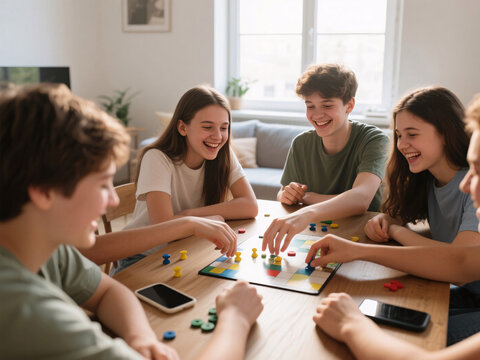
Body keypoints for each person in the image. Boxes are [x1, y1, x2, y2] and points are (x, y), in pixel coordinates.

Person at [0, 84, 264, 360]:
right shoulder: (24, 309)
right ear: (43, 192)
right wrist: (236, 319)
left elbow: (106, 291)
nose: (113, 202)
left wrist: (141, 338)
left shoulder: (49, 250)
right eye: (102, 185)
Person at [306, 75, 480, 358]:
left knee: (382, 331)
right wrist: (357, 249)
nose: (466, 184)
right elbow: (461, 262)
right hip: (477, 298)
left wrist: (350, 325)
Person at [363, 86, 480, 344]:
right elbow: (408, 219)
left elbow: (458, 263)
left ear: (445, 133)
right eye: (399, 135)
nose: (401, 145)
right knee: (378, 313)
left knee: (401, 337)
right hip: (469, 294)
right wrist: (389, 220)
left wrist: (396, 232)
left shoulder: (477, 185)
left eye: (412, 134)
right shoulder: (427, 179)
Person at [114, 85, 258, 273]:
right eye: (207, 127)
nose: (218, 136)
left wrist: (188, 214)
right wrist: (204, 220)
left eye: (224, 128)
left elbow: (250, 205)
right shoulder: (157, 158)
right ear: (182, 127)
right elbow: (164, 227)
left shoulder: (223, 154)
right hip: (143, 257)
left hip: (187, 250)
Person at [263, 64, 389, 254]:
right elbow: (282, 195)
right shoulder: (301, 143)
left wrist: (307, 199)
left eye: (327, 105)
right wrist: (288, 195)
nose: (317, 114)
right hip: (314, 236)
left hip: (362, 239)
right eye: (310, 106)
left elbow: (360, 200)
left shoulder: (375, 140)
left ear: (350, 105)